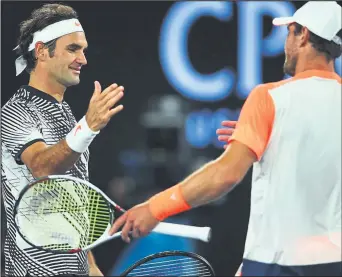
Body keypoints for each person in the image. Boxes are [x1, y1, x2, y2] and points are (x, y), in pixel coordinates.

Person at [109, 1, 342, 276]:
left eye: (290, 32)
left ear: (303, 35)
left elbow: (225, 175)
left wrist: (155, 208)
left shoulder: (270, 98)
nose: (286, 44)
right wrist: (272, 137)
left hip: (278, 264)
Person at [1, 3, 124, 277]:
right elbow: (42, 168)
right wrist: (88, 127)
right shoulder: (15, 111)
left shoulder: (67, 115)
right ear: (43, 51)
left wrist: (90, 265)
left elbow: (74, 199)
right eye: (73, 49)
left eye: (83, 50)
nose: (83, 59)